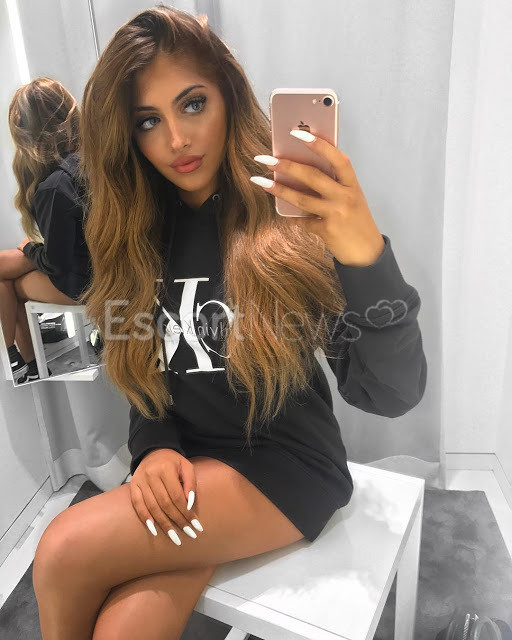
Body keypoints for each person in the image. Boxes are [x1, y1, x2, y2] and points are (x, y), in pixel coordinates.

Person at [32, 6, 427, 639]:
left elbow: (391, 393)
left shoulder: (286, 221)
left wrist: (365, 257)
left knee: (62, 550)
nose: (176, 140)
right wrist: (154, 444)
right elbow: (143, 360)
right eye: (148, 121)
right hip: (186, 464)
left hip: (283, 464)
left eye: (193, 105)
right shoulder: (134, 229)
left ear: (228, 97)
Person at [1, 78, 91, 384]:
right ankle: (20, 361)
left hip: (87, 284)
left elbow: (57, 265)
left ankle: (22, 361)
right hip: (99, 270)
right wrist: (30, 249)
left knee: (9, 285)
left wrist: (29, 249)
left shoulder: (55, 186)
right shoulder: (88, 163)